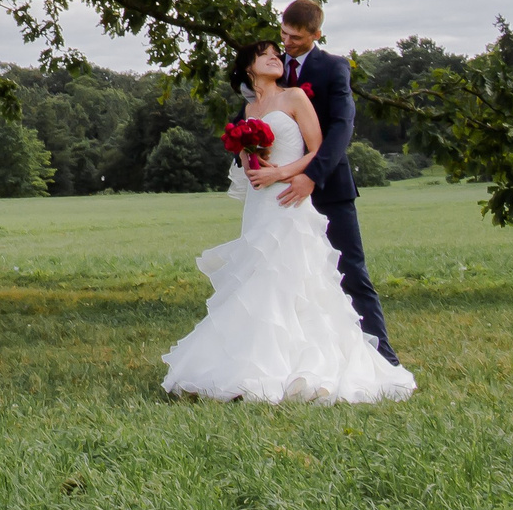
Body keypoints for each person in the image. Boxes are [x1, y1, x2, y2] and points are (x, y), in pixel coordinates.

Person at [158, 35, 415, 405]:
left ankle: (304, 365)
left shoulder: (296, 97)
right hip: (260, 203)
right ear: (249, 66)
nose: (276, 57)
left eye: (277, 54)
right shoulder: (247, 112)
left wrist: (282, 175)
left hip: (290, 197)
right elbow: (246, 158)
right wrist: (251, 165)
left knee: (295, 276)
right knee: (257, 277)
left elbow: (316, 149)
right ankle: (248, 365)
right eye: (266, 55)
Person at [262, 0, 396, 362]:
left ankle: (382, 356)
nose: (288, 43)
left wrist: (312, 177)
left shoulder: (334, 68)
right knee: (285, 275)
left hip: (328, 187)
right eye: (284, 34)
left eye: (297, 38)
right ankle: (297, 358)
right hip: (280, 191)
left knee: (350, 270)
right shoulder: (269, 66)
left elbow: (341, 127)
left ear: (317, 34)